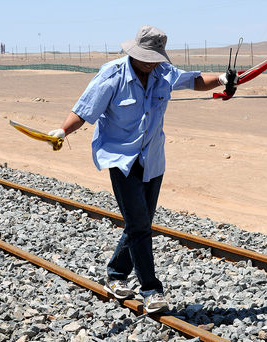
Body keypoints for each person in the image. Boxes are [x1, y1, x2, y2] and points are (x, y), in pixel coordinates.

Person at [49, 25, 237, 313]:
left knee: (141, 224)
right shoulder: (112, 75)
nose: (151, 63)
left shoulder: (163, 72)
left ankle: (116, 275)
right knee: (139, 226)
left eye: (155, 57)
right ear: (133, 52)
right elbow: (84, 110)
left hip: (152, 160)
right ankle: (151, 291)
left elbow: (195, 81)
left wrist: (224, 79)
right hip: (121, 159)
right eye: (146, 57)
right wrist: (62, 131)